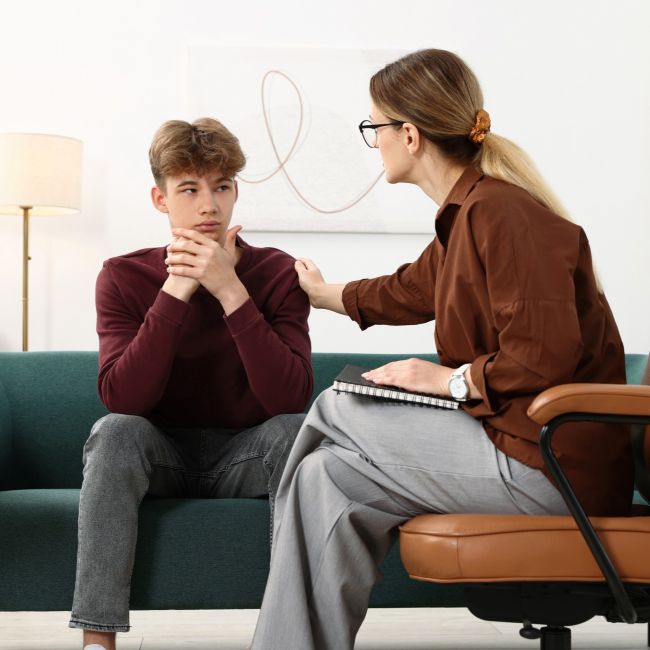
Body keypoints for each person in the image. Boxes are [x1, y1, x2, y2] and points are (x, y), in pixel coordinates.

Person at [250, 49, 632, 650]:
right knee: (326, 475)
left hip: (550, 467)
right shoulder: (466, 215)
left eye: (374, 126)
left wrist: (447, 381)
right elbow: (409, 289)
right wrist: (324, 295)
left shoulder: (504, 214)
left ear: (409, 135)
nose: (374, 141)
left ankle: (269, 528)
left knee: (337, 407)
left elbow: (544, 354)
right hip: (509, 442)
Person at [68, 118, 313, 650]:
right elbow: (124, 398)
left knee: (295, 432)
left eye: (221, 187)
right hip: (160, 453)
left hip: (248, 453)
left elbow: (290, 398)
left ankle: (292, 637)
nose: (209, 205)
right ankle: (96, 642)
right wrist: (176, 288)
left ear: (235, 192)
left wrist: (230, 291)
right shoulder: (123, 276)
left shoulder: (278, 274)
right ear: (160, 199)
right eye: (189, 189)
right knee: (114, 431)